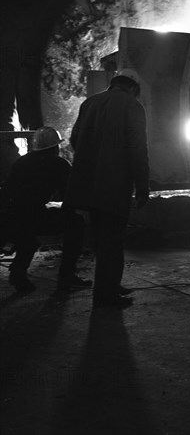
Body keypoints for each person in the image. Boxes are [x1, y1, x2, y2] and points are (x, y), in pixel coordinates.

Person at [64, 68, 150, 308]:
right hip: (113, 185)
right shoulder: (133, 106)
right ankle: (105, 295)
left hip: (87, 185)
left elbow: (74, 140)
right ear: (134, 88)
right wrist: (143, 185)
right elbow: (138, 149)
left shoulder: (89, 102)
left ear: (114, 83)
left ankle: (110, 285)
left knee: (101, 238)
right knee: (112, 240)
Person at [1, 126, 89, 293]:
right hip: (31, 216)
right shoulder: (58, 164)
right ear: (55, 147)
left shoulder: (22, 161)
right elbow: (71, 196)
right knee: (76, 224)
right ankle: (66, 276)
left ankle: (18, 274)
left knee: (27, 240)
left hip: (8, 217)